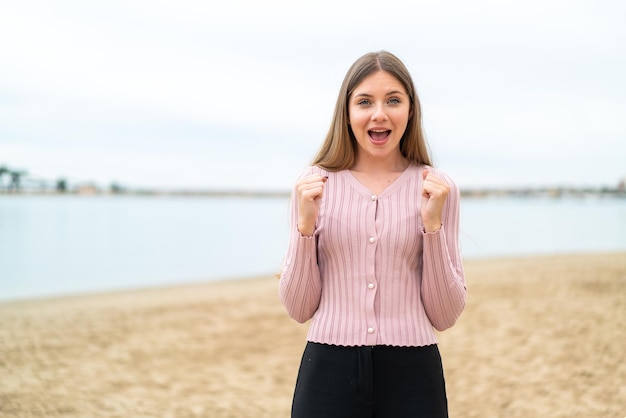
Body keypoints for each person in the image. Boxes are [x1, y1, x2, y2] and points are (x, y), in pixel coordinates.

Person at [279, 50, 467, 418]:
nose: (379, 113)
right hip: (327, 370)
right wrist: (305, 229)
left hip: (415, 374)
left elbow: (445, 314)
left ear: (410, 110)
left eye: (393, 100)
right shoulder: (313, 185)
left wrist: (432, 228)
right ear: (347, 113)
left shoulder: (437, 188)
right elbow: (298, 308)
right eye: (365, 101)